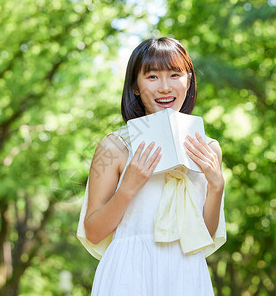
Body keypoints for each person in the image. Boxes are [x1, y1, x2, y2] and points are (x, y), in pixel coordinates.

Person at [77, 37, 226, 295]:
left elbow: (205, 235)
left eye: (175, 74)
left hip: (186, 272)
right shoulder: (113, 147)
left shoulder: (208, 148)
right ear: (135, 86)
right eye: (152, 77)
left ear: (189, 80)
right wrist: (128, 188)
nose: (165, 87)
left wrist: (216, 185)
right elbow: (93, 232)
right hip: (129, 272)